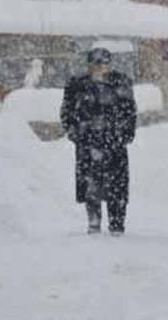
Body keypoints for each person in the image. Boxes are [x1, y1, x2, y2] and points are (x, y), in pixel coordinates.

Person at [61, 48, 137, 236]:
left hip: (114, 143)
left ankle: (117, 223)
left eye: (103, 63)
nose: (99, 67)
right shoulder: (78, 86)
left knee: (117, 187)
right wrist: (76, 132)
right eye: (95, 63)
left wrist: (124, 134)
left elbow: (130, 112)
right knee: (91, 185)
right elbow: (67, 113)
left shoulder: (121, 83)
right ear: (89, 65)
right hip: (88, 142)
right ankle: (93, 221)